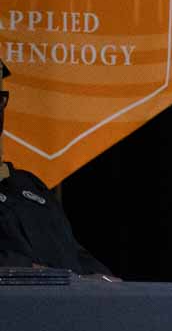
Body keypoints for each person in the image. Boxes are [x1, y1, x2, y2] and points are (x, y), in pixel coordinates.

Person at [0, 60, 113, 277]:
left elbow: (73, 253)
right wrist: (26, 271)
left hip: (68, 297)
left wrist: (104, 279)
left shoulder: (27, 185)